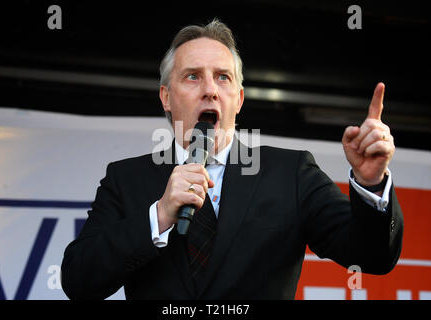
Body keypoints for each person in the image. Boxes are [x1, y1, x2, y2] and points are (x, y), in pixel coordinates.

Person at [61, 19, 403, 300]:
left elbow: (372, 256)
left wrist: (371, 182)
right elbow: (78, 280)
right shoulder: (126, 179)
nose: (210, 89)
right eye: (193, 76)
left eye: (222, 77)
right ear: (166, 96)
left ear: (238, 99)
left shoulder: (291, 173)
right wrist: (159, 216)